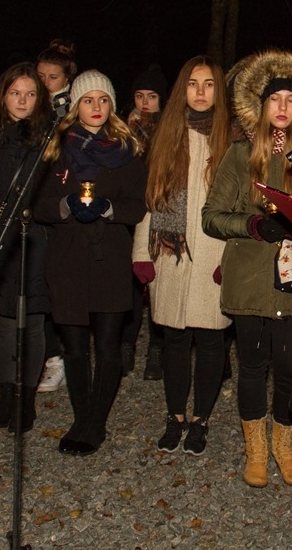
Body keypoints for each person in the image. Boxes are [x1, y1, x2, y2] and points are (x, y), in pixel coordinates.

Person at [202, 49, 292, 487]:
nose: (281, 107)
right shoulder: (240, 154)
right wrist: (254, 224)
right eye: (274, 98)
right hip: (250, 279)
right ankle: (255, 451)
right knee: (253, 366)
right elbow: (211, 216)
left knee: (291, 368)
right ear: (260, 105)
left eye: (291, 100)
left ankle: (283, 446)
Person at [36, 69, 147, 455]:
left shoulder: (128, 149)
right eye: (88, 100)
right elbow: (38, 204)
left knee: (109, 346)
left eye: (103, 100)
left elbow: (138, 206)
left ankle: (96, 422)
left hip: (110, 257)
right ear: (75, 105)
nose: (96, 107)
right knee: (75, 348)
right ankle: (81, 418)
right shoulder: (56, 147)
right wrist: (66, 207)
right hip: (67, 258)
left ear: (112, 105)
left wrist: (110, 208)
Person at [132, 55, 234, 457]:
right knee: (174, 339)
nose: (201, 92)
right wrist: (142, 251)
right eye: (193, 84)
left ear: (218, 91)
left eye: (209, 84)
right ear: (182, 89)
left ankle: (201, 420)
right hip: (170, 255)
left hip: (214, 254)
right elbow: (151, 199)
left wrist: (234, 260)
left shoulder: (232, 140)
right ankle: (175, 416)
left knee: (211, 341)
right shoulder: (164, 136)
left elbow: (241, 208)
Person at [0, 62, 53, 434]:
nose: (22, 100)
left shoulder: (49, 138)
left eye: (30, 94)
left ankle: (26, 398)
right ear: (3, 96)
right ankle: (6, 394)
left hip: (35, 240)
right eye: (16, 93)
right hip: (0, 239)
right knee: (3, 324)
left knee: (32, 323)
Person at [34, 39, 78, 395]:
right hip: (38, 200)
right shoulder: (31, 105)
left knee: (61, 283)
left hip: (64, 197)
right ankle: (45, 352)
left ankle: (61, 356)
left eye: (52, 77)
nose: (45, 83)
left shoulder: (74, 108)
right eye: (41, 76)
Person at [124, 63, 169, 380]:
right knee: (128, 281)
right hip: (129, 211)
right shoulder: (122, 130)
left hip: (159, 210)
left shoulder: (169, 130)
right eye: (139, 96)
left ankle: (157, 349)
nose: (144, 103)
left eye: (151, 96)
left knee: (157, 281)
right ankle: (126, 346)